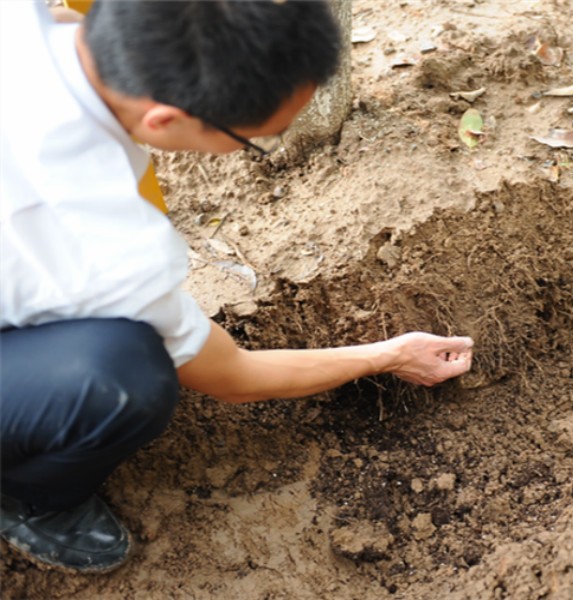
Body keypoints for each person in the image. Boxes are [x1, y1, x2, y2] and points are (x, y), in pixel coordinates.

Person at [0, 0, 474, 573]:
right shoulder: (112, 246)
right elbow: (235, 377)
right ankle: (33, 501)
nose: (271, 139)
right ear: (164, 119)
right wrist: (389, 354)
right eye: (261, 137)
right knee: (124, 376)